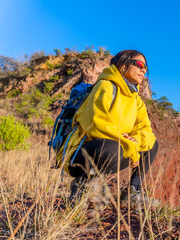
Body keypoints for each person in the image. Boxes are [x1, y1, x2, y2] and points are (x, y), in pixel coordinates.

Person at [56, 50, 158, 205]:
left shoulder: (136, 101)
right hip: (79, 154)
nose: (143, 70)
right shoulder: (105, 86)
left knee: (152, 145)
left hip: (113, 149)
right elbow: (96, 124)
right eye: (139, 64)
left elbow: (146, 131)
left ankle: (132, 192)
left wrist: (135, 140)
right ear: (123, 65)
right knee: (111, 147)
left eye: (146, 67)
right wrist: (128, 143)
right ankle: (81, 187)